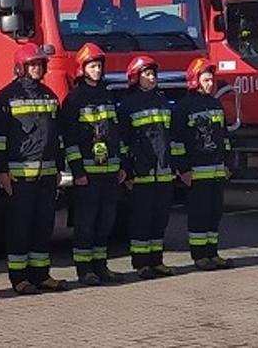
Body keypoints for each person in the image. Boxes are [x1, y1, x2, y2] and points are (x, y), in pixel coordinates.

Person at [0, 43, 69, 294]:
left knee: (43, 226)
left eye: (39, 64)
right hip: (19, 176)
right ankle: (19, 278)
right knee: (19, 227)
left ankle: (41, 274)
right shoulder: (6, 97)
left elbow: (56, 138)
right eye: (32, 64)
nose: (36, 68)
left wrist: (57, 168)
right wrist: (1, 173)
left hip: (46, 176)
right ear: (21, 67)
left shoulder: (49, 96)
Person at [59, 43, 126, 285]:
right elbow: (71, 139)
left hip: (109, 171)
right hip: (87, 173)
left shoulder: (108, 96)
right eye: (92, 66)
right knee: (85, 224)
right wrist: (78, 171)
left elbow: (116, 134)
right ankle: (84, 269)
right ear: (82, 69)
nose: (97, 71)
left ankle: (101, 266)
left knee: (105, 222)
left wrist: (121, 165)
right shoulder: (74, 99)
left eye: (99, 66)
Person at [116, 56, 181, 279]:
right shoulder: (127, 105)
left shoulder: (162, 101)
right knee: (141, 220)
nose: (152, 78)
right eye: (147, 74)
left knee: (160, 218)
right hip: (141, 172)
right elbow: (122, 141)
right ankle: (141, 264)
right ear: (136, 77)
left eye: (153, 74)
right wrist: (127, 170)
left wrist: (173, 165)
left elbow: (168, 136)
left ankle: (157, 260)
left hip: (162, 171)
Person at [173, 58, 235, 271]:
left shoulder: (215, 104)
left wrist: (227, 163)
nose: (210, 84)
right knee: (199, 215)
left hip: (216, 171)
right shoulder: (183, 107)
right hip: (196, 173)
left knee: (214, 213)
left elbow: (223, 137)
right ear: (195, 80)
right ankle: (199, 256)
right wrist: (183, 170)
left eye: (211, 80)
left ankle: (213, 253)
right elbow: (178, 142)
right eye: (206, 80)